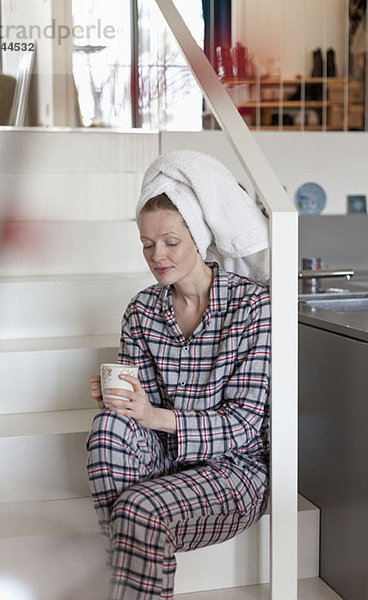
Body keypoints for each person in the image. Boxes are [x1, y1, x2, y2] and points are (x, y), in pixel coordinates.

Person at [86, 150, 271, 600]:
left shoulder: (252, 307)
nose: (157, 256)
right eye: (147, 244)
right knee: (108, 428)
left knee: (138, 508)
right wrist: (123, 402)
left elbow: (245, 422)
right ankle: (140, 561)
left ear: (199, 235)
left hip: (236, 472)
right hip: (165, 457)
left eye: (170, 241)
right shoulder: (142, 309)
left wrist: (154, 417)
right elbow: (140, 406)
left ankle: (132, 561)